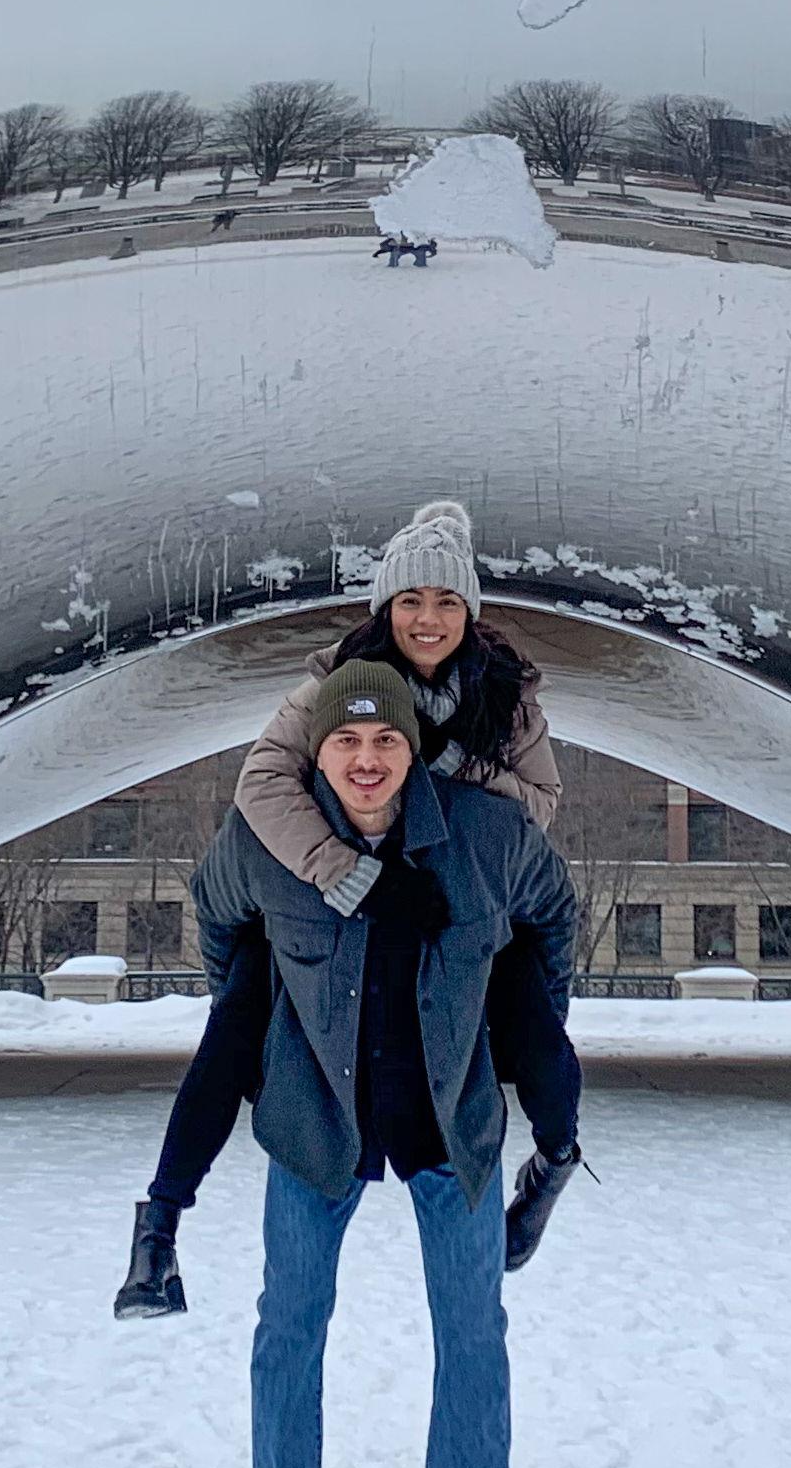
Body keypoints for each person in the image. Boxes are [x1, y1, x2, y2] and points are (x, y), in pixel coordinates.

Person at [116, 500, 583, 1319]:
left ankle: (554, 1160)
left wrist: (444, 789)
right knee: (242, 1010)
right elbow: (261, 783)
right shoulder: (338, 684)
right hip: (334, 892)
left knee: (521, 1001)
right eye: (410, 601)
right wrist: (335, 875)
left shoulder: (504, 698)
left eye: (445, 602)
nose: (428, 620)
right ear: (385, 609)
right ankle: (159, 1222)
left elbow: (538, 806)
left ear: (469, 611)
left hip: (454, 890)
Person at [188, 660, 577, 1468]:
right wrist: (268, 1025)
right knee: (290, 1324)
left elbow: (553, 915)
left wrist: (523, 1026)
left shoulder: (482, 834)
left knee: (472, 1329)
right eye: (347, 741)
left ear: (413, 751)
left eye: (387, 741)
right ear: (318, 748)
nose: (367, 761)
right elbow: (215, 916)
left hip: (453, 1120)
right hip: (315, 1119)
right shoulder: (270, 839)